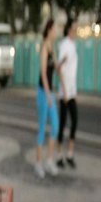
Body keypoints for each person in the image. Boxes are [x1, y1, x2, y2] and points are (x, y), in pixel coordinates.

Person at [35, 19, 65, 179]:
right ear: (48, 30)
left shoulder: (52, 48)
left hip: (50, 92)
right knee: (42, 128)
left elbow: (54, 69)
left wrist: (62, 63)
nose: (56, 32)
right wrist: (47, 96)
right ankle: (38, 164)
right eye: (54, 29)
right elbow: (43, 74)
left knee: (55, 126)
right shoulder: (44, 48)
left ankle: (49, 160)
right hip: (43, 92)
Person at [57, 17, 78, 168]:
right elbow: (59, 67)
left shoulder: (72, 45)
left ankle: (70, 154)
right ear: (70, 28)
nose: (77, 30)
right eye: (75, 27)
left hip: (71, 91)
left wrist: (73, 91)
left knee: (75, 121)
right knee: (63, 124)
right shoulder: (65, 45)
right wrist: (64, 91)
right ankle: (59, 156)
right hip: (65, 92)